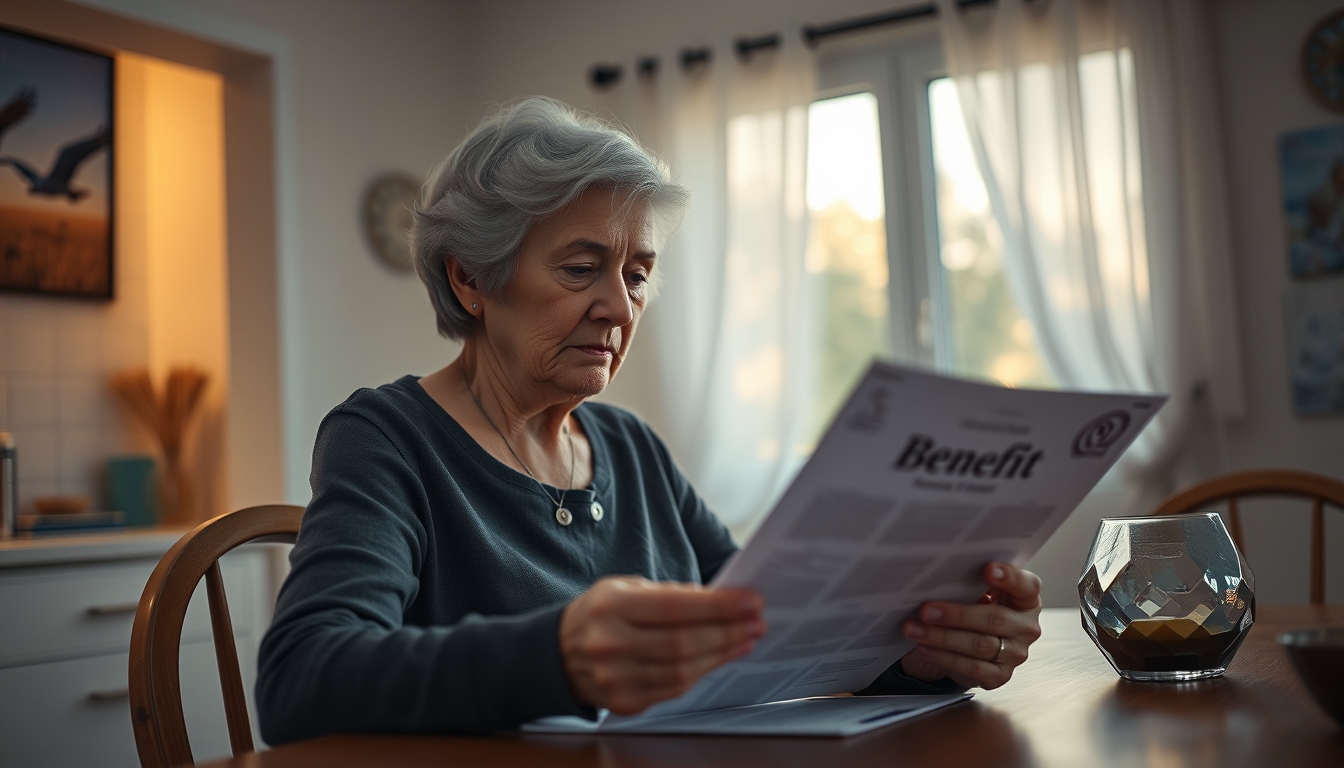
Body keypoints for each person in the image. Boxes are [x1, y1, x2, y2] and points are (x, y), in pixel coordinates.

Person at [255, 97, 1043, 744]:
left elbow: (767, 637)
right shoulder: (386, 437)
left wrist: (929, 654)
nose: (619, 306)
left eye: (637, 274)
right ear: (470, 278)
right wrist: (557, 655)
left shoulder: (630, 449)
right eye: (580, 268)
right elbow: (303, 680)